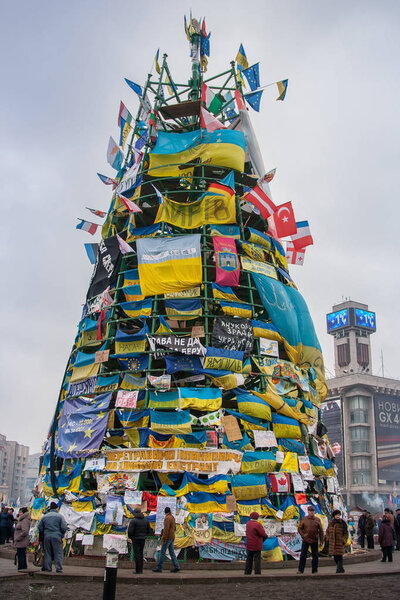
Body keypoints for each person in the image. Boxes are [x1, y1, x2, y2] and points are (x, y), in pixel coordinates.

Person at [38, 502, 67, 573]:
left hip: (47, 536)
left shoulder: (44, 516)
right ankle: (58, 568)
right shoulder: (60, 516)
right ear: (56, 508)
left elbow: (39, 527)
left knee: (47, 552)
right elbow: (64, 528)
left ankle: (48, 568)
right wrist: (61, 533)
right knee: (58, 553)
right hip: (57, 536)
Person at [152, 507, 180, 573]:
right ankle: (177, 566)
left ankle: (159, 567)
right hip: (172, 537)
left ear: (165, 512)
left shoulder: (167, 518)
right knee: (172, 552)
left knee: (162, 552)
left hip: (167, 537)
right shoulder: (172, 517)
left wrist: (164, 538)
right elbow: (174, 528)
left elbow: (166, 529)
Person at [297, 506, 323, 574]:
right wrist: (303, 535)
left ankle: (314, 570)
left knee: (315, 556)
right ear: (308, 512)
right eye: (310, 511)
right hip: (306, 540)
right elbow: (299, 528)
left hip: (314, 539)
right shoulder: (304, 519)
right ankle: (300, 569)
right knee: (303, 555)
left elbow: (321, 531)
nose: (312, 512)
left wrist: (321, 540)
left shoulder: (317, 520)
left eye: (313, 511)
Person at [127, 507, 152, 574]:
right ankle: (141, 570)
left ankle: (138, 570)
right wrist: (144, 535)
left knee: (137, 554)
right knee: (141, 554)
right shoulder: (145, 520)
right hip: (142, 539)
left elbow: (130, 531)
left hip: (135, 539)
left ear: (135, 513)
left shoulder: (133, 521)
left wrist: (131, 537)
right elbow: (149, 530)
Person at [326, 509, 348, 573]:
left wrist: (343, 540)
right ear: (334, 516)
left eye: (339, 515)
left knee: (340, 556)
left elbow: (346, 533)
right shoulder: (331, 523)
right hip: (333, 543)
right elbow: (327, 531)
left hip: (340, 542)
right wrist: (328, 538)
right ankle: (341, 568)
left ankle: (338, 568)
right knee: (335, 557)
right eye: (336, 515)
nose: (338, 516)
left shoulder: (342, 523)